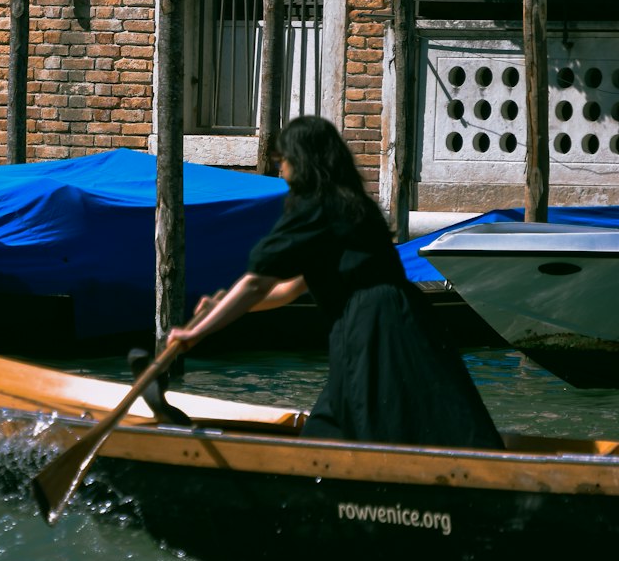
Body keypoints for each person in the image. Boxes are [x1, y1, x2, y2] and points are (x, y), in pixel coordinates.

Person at [169, 115, 502, 450]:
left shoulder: (316, 208)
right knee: (354, 412)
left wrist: (196, 332)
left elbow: (256, 283)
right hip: (397, 317)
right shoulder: (350, 204)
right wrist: (221, 307)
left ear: (301, 159)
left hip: (373, 324)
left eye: (283, 160)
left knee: (376, 414)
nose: (281, 170)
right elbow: (287, 291)